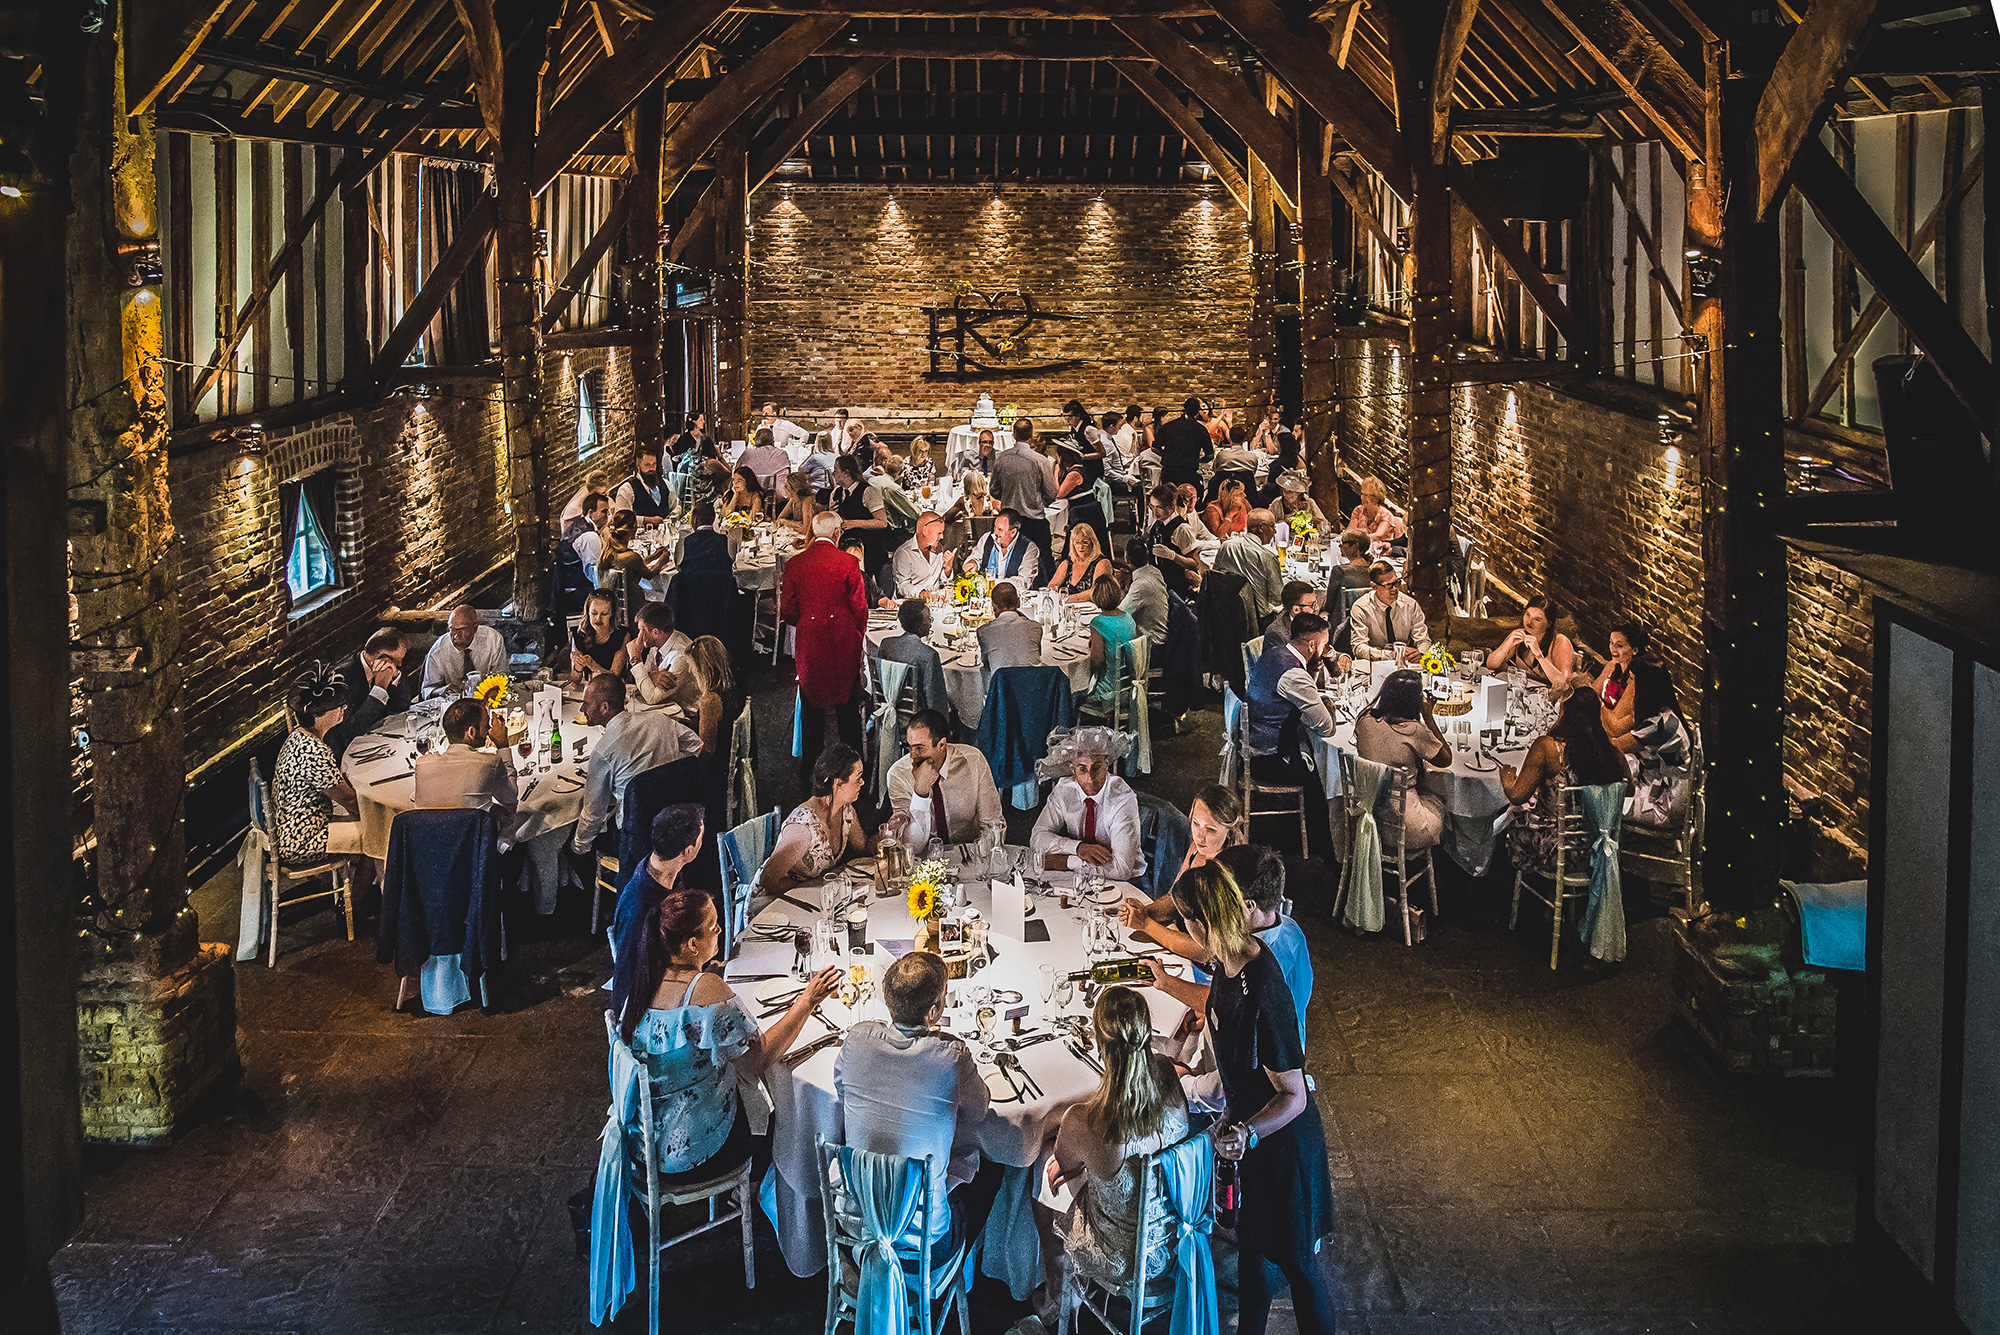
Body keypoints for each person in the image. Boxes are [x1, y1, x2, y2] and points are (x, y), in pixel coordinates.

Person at [1171, 864, 1336, 1335]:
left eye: (1186, 921)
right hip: (1252, 1145)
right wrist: (1229, 1112)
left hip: (1285, 1151)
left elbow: (1294, 1096)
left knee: (1301, 1267)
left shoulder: (1263, 989)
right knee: (1252, 1253)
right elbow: (1238, 1070)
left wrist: (1247, 1130)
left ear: (1202, 925)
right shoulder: (1227, 965)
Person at [612, 887, 840, 1187]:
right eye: (713, 927)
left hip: (643, 1145)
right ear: (693, 943)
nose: (721, 930)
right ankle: (777, 1199)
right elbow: (757, 1060)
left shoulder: (644, 981)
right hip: (694, 1154)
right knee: (783, 1116)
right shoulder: (707, 990)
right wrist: (807, 1001)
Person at [1031, 985, 1190, 1325]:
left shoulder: (1085, 1120)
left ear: (1099, 1044)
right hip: (1177, 1235)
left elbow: (1065, 1163)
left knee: (1042, 1182)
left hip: (1122, 1256)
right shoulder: (1165, 1072)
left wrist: (1074, 1161)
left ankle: (1057, 1296)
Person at [835, 952, 1004, 1269]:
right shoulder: (952, 1055)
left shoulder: (856, 1039)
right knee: (994, 1169)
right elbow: (979, 1112)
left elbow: (842, 1092)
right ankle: (967, 1281)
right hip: (921, 1250)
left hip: (855, 1233)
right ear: (935, 1010)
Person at [1144, 844, 1312, 1112]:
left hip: (1230, 1100)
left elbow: (1232, 1082)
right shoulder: (1267, 934)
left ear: (1247, 905)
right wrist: (1210, 1014)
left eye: (1219, 892)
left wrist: (1183, 1085)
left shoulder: (1261, 970)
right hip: (1209, 1064)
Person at [1502, 683, 1633, 879]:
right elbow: (1628, 790)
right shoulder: (1612, 753)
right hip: (1598, 850)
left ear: (1565, 711)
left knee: (1509, 820)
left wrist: (1507, 780)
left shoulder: (1549, 749)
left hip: (1555, 850)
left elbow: (1517, 796)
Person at [568, 674, 702, 859]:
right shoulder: (659, 720)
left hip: (636, 837)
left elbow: (594, 815)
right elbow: (695, 744)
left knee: (577, 842)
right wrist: (669, 771)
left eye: (586, 703)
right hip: (675, 821)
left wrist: (578, 847)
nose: (582, 708)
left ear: (604, 708)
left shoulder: (602, 752)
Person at [1244, 614, 1344, 858]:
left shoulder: (1274, 653)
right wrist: (1327, 705)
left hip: (1255, 742)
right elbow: (1326, 726)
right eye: (1323, 644)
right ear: (1311, 645)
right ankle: (1327, 851)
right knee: (1321, 774)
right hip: (1269, 757)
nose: (1325, 649)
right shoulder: (1293, 674)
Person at [781, 513, 868, 781]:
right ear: (837, 534)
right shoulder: (849, 563)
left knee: (811, 708)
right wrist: (855, 633)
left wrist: (808, 621)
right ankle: (854, 769)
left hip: (810, 639)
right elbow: (860, 608)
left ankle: (811, 771)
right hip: (843, 638)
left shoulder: (795, 564)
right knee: (848, 710)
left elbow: (788, 610)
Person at [1116, 784, 1242, 960]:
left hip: (1205, 967)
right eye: (1195, 823)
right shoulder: (1198, 849)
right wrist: (1144, 912)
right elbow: (1174, 899)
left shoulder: (1227, 871)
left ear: (1229, 831)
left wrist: (1146, 924)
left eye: (1211, 829)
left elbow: (1204, 952)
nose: (1199, 835)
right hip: (1176, 940)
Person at [272, 663, 364, 864]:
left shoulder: (298, 736)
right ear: (318, 716)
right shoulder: (314, 752)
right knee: (378, 835)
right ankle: (363, 895)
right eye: (336, 706)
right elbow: (350, 801)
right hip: (302, 840)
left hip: (292, 827)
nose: (342, 709)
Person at [1354, 670, 1452, 853]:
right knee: (1444, 803)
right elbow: (1446, 759)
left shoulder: (1364, 719)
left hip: (1368, 813)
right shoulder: (1414, 730)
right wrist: (1428, 716)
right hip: (1404, 826)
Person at [1031, 726, 1145, 882]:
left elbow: (1121, 870)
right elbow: (1037, 838)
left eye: (1097, 768)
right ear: (1072, 769)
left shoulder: (1123, 799)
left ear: (1107, 765)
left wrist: (1064, 861)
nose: (1090, 779)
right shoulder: (1064, 790)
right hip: (1081, 873)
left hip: (1127, 881)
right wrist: (1077, 848)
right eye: (1082, 769)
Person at [884, 709, 1005, 850]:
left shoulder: (973, 760)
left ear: (941, 745)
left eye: (920, 748)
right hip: (922, 859)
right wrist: (920, 794)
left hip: (969, 853)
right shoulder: (898, 774)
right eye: (910, 747)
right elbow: (910, 846)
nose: (913, 756)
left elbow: (992, 823)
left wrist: (984, 858)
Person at [762, 743, 869, 890]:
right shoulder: (803, 826)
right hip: (778, 901)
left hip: (818, 896)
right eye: (858, 777)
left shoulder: (846, 811)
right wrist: (813, 893)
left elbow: (861, 848)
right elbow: (768, 880)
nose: (862, 782)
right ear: (838, 783)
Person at [413, 697, 521, 839]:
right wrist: (503, 746)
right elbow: (510, 797)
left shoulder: (422, 764)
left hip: (430, 846)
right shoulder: (490, 764)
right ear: (471, 732)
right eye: (486, 725)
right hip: (475, 849)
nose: (489, 730)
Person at [326, 627, 412, 760]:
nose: (399, 665)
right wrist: (380, 688)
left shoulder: (390, 669)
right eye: (397, 661)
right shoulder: (342, 678)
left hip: (383, 742)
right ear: (380, 658)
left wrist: (395, 679)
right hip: (350, 753)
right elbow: (352, 730)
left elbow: (402, 706)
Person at [991, 417, 1058, 580]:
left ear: (1014, 434)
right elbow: (1051, 492)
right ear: (1032, 435)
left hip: (1010, 520)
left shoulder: (1001, 459)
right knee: (1044, 563)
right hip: (1034, 518)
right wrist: (1040, 502)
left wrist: (1007, 496)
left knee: (1009, 562)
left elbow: (993, 489)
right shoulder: (1040, 460)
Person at [879, 599, 952, 721]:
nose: (930, 623)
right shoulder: (929, 655)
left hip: (887, 713)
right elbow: (936, 702)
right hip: (918, 722)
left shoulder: (885, 644)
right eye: (928, 619)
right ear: (922, 623)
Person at [1079, 574, 1140, 720]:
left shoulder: (1098, 623)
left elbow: (1097, 660)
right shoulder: (1128, 617)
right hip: (1129, 685)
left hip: (1109, 692)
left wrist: (1082, 675)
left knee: (1071, 691)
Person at [1348, 561, 1432, 662]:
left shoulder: (1410, 604)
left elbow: (1423, 639)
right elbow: (1359, 647)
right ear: (1374, 586)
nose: (1395, 589)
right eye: (1389, 585)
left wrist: (1421, 653)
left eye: (1397, 582)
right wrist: (1390, 655)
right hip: (1375, 664)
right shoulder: (1361, 607)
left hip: (1406, 663)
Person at [1212, 509, 1285, 623]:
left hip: (1225, 614)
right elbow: (1278, 598)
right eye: (1272, 527)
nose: (1274, 532)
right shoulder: (1268, 558)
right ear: (1261, 527)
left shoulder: (1226, 546)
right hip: (1257, 620)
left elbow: (1215, 575)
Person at [1593, 621, 1658, 750]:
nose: (1613, 649)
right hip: (1603, 721)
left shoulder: (1635, 677)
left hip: (1619, 733)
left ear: (1634, 650)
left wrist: (1596, 704)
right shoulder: (1613, 665)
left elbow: (1616, 726)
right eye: (1611, 643)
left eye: (1620, 645)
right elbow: (1592, 691)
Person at [420, 605, 508, 699]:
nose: (456, 636)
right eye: (452, 630)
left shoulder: (493, 640)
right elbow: (427, 690)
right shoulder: (438, 651)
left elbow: (501, 677)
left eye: (461, 630)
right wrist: (444, 690)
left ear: (474, 628)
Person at [1487, 595, 1576, 685]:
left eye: (1537, 619)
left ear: (1549, 623)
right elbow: (1491, 665)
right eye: (1528, 615)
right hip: (1523, 693)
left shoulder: (1560, 642)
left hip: (1548, 697)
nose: (1529, 622)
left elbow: (1564, 684)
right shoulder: (1520, 635)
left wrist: (1539, 655)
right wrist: (1508, 643)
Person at [685, 634, 744, 767]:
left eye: (691, 665)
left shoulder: (710, 701)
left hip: (713, 769)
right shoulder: (731, 686)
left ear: (702, 668)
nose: (690, 670)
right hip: (728, 758)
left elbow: (706, 752)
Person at [629, 601, 699, 713]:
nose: (639, 636)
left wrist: (635, 659)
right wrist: (653, 676)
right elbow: (645, 678)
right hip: (666, 707)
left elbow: (651, 697)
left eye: (642, 630)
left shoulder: (680, 656)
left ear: (655, 632)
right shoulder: (658, 642)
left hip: (686, 715)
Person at [595, 509, 671, 600]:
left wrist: (653, 556)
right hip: (633, 603)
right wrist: (662, 561)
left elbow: (635, 565)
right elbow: (649, 574)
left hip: (614, 600)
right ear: (632, 528)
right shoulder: (631, 557)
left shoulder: (609, 552)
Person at [1144, 482, 1201, 600]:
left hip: (1175, 590)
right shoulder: (1157, 524)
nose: (1154, 513)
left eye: (1158, 507)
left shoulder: (1182, 529)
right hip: (1158, 584)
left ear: (1170, 507)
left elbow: (1195, 563)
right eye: (1151, 507)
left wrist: (1173, 556)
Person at [964, 508, 1041, 588]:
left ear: (1013, 532)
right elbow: (975, 556)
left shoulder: (1029, 549)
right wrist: (972, 562)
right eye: (995, 528)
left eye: (1000, 530)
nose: (995, 533)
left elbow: (1023, 582)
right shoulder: (986, 538)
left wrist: (993, 582)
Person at [569, 591, 632, 687]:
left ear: (612, 614)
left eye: (604, 614)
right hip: (589, 688)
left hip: (614, 690)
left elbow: (613, 678)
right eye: (594, 613)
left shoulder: (622, 636)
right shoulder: (580, 635)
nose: (598, 619)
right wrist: (578, 668)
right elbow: (575, 680)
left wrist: (592, 664)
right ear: (588, 612)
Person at [976, 581, 1044, 670]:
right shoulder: (1035, 628)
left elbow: (987, 665)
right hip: (1034, 682)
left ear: (994, 606)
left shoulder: (983, 632)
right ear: (1018, 602)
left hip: (1002, 683)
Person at [889, 511, 951, 601]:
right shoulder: (905, 553)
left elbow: (942, 581)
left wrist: (948, 568)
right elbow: (902, 586)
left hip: (935, 603)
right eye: (939, 533)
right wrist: (923, 594)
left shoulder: (938, 548)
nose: (942, 537)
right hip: (912, 603)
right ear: (925, 531)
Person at [1119, 544, 1170, 649]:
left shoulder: (1141, 585)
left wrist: (1119, 587)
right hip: (1161, 635)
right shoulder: (1156, 572)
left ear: (1127, 559)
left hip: (1152, 646)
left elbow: (1119, 615)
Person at [1154, 396, 1212, 487]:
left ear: (1184, 409)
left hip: (1169, 471)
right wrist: (1198, 460)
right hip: (1189, 472)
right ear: (1197, 412)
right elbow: (1210, 455)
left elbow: (1154, 448)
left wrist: (1166, 454)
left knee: (1169, 498)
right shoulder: (1200, 429)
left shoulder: (1168, 426)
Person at [1047, 521, 1112, 601]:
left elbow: (1096, 591)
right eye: (1077, 543)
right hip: (1069, 607)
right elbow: (1053, 584)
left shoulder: (1102, 563)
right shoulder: (1068, 563)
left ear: (1092, 542)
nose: (1081, 547)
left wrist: (1068, 599)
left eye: (1085, 543)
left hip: (1093, 609)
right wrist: (1053, 591)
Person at [613, 444, 674, 525]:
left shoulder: (666, 484)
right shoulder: (627, 489)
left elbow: (676, 506)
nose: (651, 469)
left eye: (654, 464)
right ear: (638, 466)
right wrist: (645, 520)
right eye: (647, 465)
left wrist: (672, 516)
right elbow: (621, 518)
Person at [565, 490, 610, 583]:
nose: (608, 515)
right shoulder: (590, 537)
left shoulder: (580, 523)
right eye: (604, 511)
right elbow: (594, 575)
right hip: (581, 589)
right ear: (590, 513)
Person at [1348, 474, 1405, 547]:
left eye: (1369, 495)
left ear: (1377, 498)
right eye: (1363, 494)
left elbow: (1377, 536)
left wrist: (1357, 536)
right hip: (1360, 548)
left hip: (1381, 552)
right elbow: (1349, 530)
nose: (1363, 498)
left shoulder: (1385, 515)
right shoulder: (1358, 510)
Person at [1270, 472, 1327, 536]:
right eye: (1284, 491)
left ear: (1298, 492)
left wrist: (1308, 516)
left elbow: (1324, 524)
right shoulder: (1277, 503)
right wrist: (1287, 520)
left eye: (1290, 492)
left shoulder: (1309, 502)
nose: (1286, 494)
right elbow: (1269, 524)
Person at [774, 469, 819, 538]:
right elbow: (779, 520)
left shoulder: (807, 501)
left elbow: (806, 530)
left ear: (795, 489)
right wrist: (798, 524)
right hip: (798, 537)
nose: (784, 488)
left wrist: (786, 522)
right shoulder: (794, 500)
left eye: (786, 486)